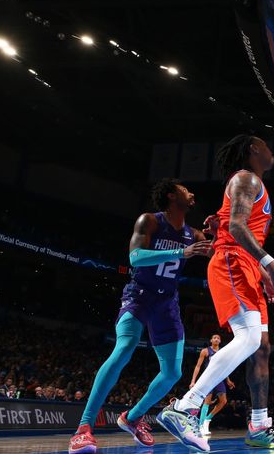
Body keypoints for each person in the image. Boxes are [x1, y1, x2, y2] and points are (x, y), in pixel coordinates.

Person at [157, 135, 274, 452]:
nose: (272, 150)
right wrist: (269, 262)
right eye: (266, 144)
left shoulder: (251, 183)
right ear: (253, 150)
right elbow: (236, 227)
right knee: (248, 339)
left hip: (244, 265)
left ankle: (259, 427)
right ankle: (184, 408)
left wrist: (262, 275)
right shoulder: (246, 178)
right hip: (232, 263)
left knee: (261, 348)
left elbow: (229, 226)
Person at [69, 179, 213, 454]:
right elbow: (135, 258)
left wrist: (219, 234)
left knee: (172, 373)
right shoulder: (150, 221)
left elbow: (216, 254)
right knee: (124, 347)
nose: (192, 193)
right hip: (139, 295)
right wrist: (179, 252)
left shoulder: (193, 234)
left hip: (167, 302)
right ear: (172, 196)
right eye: (185, 189)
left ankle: (133, 418)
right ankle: (83, 429)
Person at [190, 335, 236, 435]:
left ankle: (207, 419)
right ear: (211, 340)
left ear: (220, 341)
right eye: (214, 338)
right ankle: (201, 426)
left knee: (223, 401)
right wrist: (193, 381)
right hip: (208, 379)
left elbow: (224, 367)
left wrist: (228, 380)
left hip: (219, 378)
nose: (216, 339)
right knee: (207, 402)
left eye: (218, 338)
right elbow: (198, 366)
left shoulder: (222, 352)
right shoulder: (205, 351)